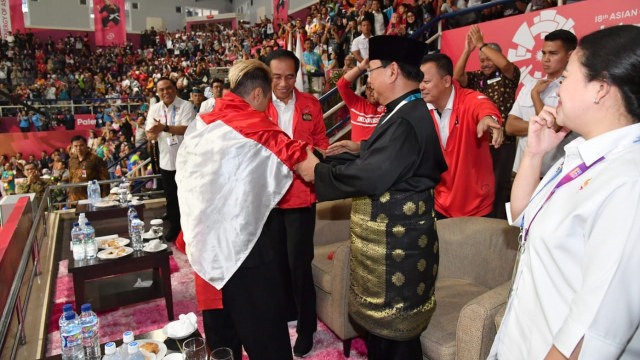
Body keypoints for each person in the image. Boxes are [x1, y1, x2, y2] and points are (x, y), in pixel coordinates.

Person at [489, 25, 640, 359]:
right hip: (525, 340)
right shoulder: (581, 153)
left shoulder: (629, 182)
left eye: (568, 77)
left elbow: (594, 331)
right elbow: (524, 215)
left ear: (600, 89)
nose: (558, 89)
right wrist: (534, 153)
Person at [297, 35, 448, 360]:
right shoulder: (403, 110)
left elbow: (373, 175)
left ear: (392, 71)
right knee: (387, 340)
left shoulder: (407, 117)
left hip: (399, 253)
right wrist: (359, 149)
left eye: (372, 71)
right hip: (394, 250)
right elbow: (395, 160)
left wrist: (317, 171)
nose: (370, 81)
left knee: (396, 343)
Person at [176, 59, 314, 360]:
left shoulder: (202, 123)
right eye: (266, 102)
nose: (267, 110)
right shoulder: (256, 126)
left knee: (223, 346)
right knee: (267, 341)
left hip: (205, 247)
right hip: (247, 252)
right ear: (256, 95)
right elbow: (305, 165)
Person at [264, 49, 329, 357]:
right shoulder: (258, 105)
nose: (283, 83)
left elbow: (322, 142)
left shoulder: (310, 105)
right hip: (267, 200)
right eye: (276, 76)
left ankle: (306, 328)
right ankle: (282, 315)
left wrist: (311, 152)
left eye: (289, 76)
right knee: (274, 264)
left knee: (299, 266)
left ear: (297, 75)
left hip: (302, 196)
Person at [420, 53, 504, 219]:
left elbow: (483, 106)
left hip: (477, 206)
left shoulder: (469, 100)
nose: (421, 87)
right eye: (420, 82)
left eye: (427, 82)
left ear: (446, 81)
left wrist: (489, 119)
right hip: (440, 204)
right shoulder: (421, 110)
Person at [453, 25, 521, 219]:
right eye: (481, 60)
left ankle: (498, 224)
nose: (484, 63)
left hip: (503, 143)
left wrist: (481, 44)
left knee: (500, 185)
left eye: (489, 59)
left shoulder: (509, 75)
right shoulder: (477, 78)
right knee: (479, 184)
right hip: (480, 142)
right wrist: (468, 50)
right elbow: (457, 78)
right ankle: (480, 219)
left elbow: (506, 65)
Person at [506, 29, 579, 177]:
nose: (545, 59)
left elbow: (553, 129)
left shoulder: (575, 88)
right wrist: (541, 125)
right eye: (544, 53)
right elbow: (510, 127)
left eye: (553, 53)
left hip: (555, 175)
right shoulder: (529, 85)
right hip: (521, 171)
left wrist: (536, 97)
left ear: (569, 55)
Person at [145, 77, 196, 242]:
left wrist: (164, 128)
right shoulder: (155, 109)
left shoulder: (186, 106)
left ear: (175, 89)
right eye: (161, 90)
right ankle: (175, 227)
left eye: (168, 88)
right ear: (158, 93)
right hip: (166, 160)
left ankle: (191, 230)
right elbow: (149, 133)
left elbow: (187, 128)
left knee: (188, 196)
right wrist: (153, 132)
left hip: (186, 161)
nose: (165, 92)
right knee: (171, 197)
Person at [336, 59, 386, 142]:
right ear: (365, 91)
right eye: (370, 88)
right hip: (356, 154)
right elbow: (341, 85)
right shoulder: (356, 103)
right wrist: (360, 67)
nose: (372, 92)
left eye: (375, 88)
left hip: (378, 153)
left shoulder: (388, 106)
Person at [67, 135, 109, 203]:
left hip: (91, 199)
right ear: (72, 146)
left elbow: (105, 180)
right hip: (74, 199)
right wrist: (69, 195)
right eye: (76, 146)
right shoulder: (71, 161)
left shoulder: (95, 159)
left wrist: (104, 199)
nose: (79, 148)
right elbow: (71, 179)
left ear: (86, 145)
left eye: (81, 145)